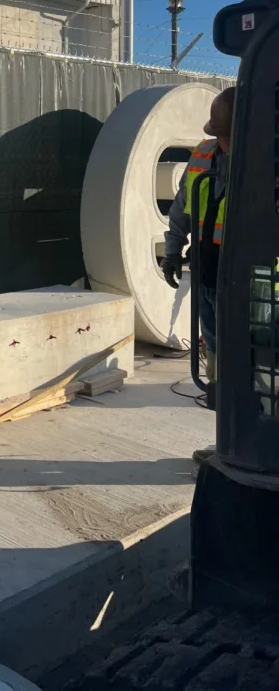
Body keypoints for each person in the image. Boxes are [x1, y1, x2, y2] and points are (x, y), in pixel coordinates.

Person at [162, 86, 234, 465]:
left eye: (228, 136)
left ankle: (259, 443)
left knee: (257, 361)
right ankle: (226, 443)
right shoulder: (203, 156)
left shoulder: (265, 157)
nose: (223, 142)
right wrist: (173, 250)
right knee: (218, 356)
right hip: (209, 269)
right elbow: (182, 207)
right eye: (219, 135)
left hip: (252, 278)